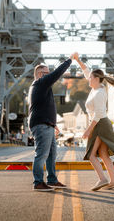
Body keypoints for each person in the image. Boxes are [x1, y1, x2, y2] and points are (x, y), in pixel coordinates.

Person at [74, 52, 114, 191]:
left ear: (96, 79)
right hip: (102, 123)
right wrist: (78, 60)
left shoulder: (99, 93)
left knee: (91, 155)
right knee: (102, 154)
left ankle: (102, 179)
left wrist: (88, 130)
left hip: (99, 124)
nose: (88, 79)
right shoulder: (96, 88)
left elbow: (97, 115)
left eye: (90, 78)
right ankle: (113, 181)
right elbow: (86, 71)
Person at [28, 55, 75, 191]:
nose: (49, 76)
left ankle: (52, 180)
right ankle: (38, 182)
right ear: (40, 74)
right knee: (42, 154)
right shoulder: (40, 83)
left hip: (46, 124)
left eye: (49, 73)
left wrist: (53, 124)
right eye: (47, 73)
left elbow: (43, 107)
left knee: (51, 154)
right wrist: (70, 60)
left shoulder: (41, 87)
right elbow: (57, 73)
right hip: (42, 125)